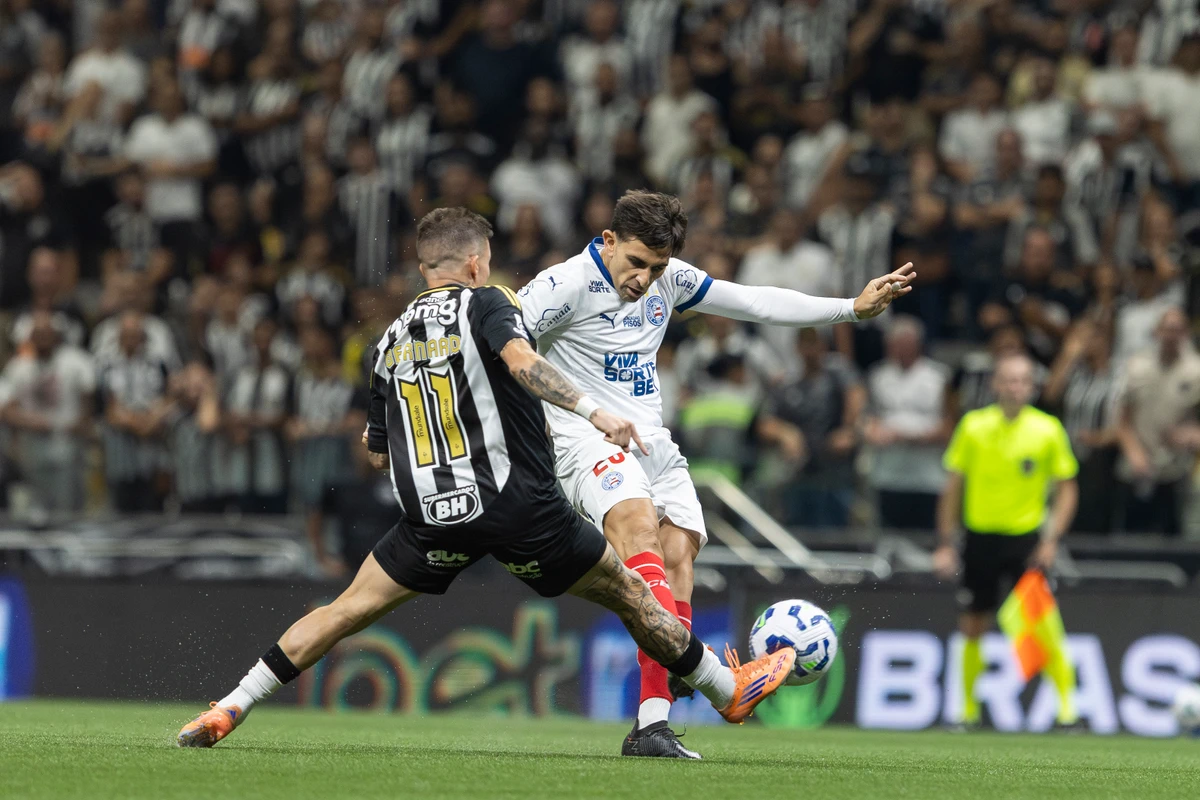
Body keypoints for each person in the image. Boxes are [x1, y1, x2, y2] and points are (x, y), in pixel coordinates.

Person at [177, 207, 795, 748]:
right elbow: (524, 361)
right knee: (635, 592)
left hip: (433, 520)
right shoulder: (490, 302)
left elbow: (374, 448)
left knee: (345, 609)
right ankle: (723, 688)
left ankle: (232, 704)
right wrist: (591, 409)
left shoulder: (388, 341)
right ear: (476, 263)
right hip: (520, 507)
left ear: (425, 269)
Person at [516, 190, 913, 757]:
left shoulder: (670, 280)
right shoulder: (563, 286)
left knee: (678, 554)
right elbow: (501, 345)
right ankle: (715, 680)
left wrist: (850, 307)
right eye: (635, 264)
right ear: (608, 241)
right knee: (640, 531)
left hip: (649, 439)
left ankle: (651, 726)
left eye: (655, 267)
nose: (645, 279)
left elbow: (754, 301)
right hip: (582, 438)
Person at [935, 353, 1080, 730]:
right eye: (1008, 380)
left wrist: (1051, 540)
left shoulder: (1048, 430)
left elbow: (1067, 490)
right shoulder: (973, 426)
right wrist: (947, 542)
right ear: (996, 384)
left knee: (1041, 623)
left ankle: (1067, 712)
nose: (1015, 387)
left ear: (1032, 387)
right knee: (972, 623)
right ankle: (966, 713)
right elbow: (953, 488)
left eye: (1022, 381)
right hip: (979, 538)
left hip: (1025, 541)